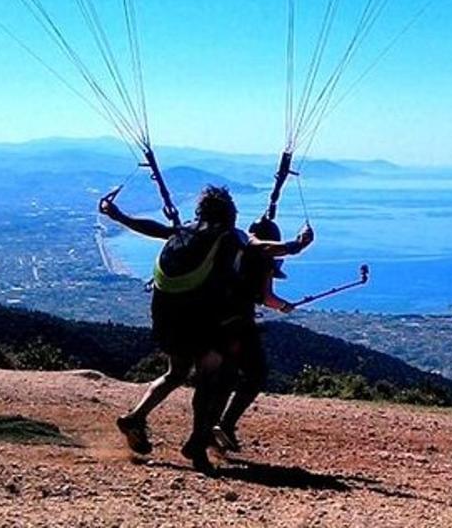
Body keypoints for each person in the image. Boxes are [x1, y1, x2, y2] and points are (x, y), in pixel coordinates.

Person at [99, 184, 312, 473]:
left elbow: (154, 229)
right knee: (209, 378)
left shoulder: (186, 230)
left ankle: (136, 418)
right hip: (200, 319)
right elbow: (261, 247)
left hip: (166, 314)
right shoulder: (230, 236)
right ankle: (197, 446)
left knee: (176, 372)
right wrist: (296, 245)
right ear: (229, 212)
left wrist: (119, 216)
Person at [211, 215, 299, 453]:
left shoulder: (233, 250)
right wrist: (284, 306)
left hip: (212, 317)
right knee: (255, 373)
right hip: (238, 322)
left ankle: (207, 430)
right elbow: (267, 297)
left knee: (222, 375)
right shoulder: (264, 260)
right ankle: (225, 424)